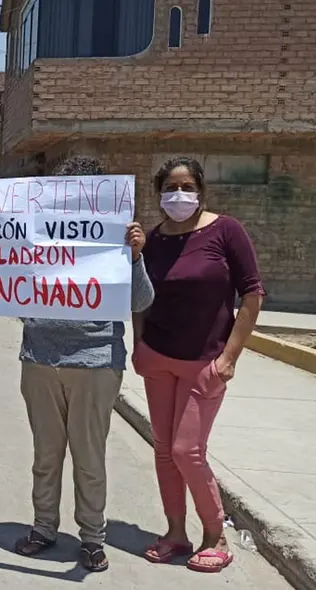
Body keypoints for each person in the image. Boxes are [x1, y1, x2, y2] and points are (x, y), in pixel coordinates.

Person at [11, 156, 154, 572]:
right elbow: (7, 287)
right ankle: (44, 527)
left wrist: (135, 257)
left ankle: (92, 538)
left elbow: (140, 302)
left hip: (95, 361)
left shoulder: (118, 242)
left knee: (89, 457)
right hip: (39, 359)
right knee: (46, 454)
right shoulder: (33, 237)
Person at [135, 157, 264, 574]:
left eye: (187, 187)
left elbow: (252, 294)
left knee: (187, 450)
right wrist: (137, 344)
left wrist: (230, 357)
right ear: (159, 194)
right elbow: (141, 297)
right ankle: (175, 532)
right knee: (164, 451)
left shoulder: (226, 231)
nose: (179, 195)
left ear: (200, 190)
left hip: (206, 361)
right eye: (170, 188)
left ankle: (215, 535)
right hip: (157, 357)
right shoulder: (153, 240)